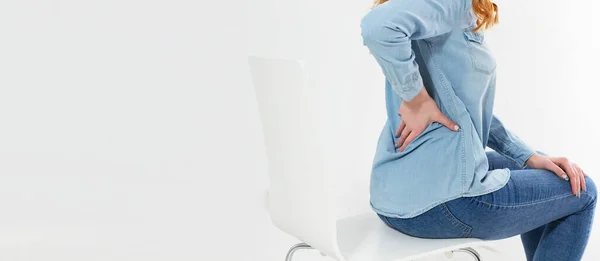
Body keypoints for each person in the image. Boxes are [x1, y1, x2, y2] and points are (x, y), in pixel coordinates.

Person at [359, 0, 597, 260]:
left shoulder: (441, 11)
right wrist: (417, 100)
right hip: (444, 202)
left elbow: (464, 109)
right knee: (583, 192)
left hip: (395, 202)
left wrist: (528, 156)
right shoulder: (451, 3)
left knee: (544, 171)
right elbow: (378, 26)